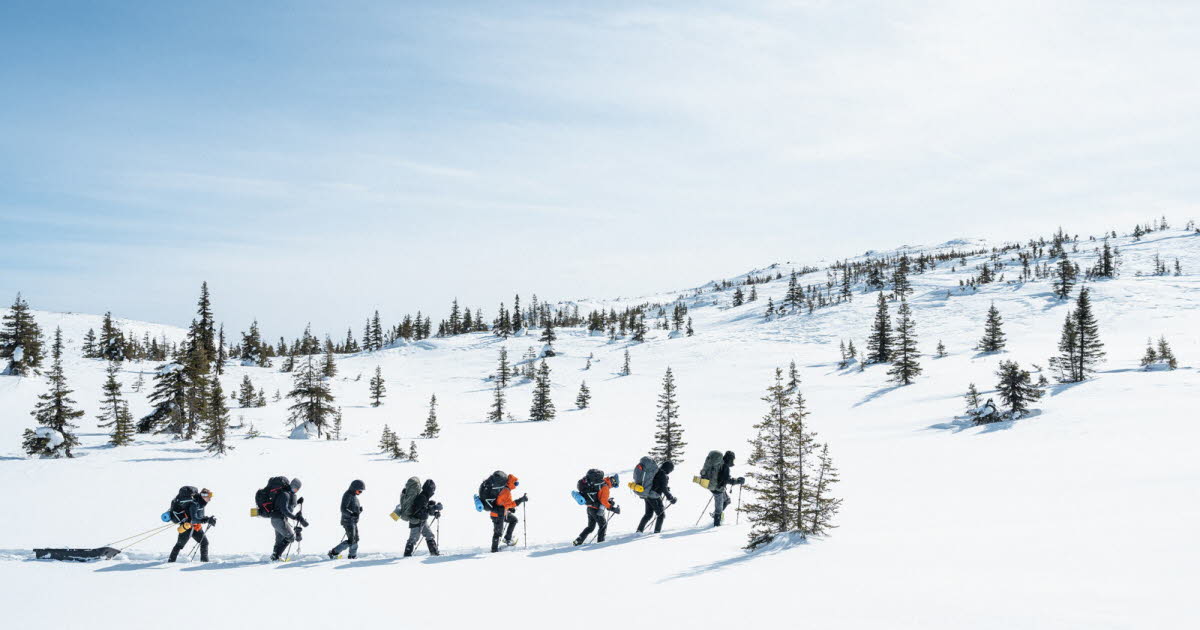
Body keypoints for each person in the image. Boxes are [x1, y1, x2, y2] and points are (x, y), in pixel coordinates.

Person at [168, 487, 216, 562]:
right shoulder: (195, 504)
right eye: (209, 497)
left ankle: (204, 562)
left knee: (204, 543)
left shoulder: (202, 503)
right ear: (203, 496)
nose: (210, 499)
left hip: (196, 527)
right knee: (179, 545)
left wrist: (208, 519)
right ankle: (170, 561)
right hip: (187, 527)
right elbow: (194, 519)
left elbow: (199, 517)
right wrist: (207, 520)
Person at [573, 470, 619, 546]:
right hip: (596, 510)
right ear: (613, 482)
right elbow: (603, 502)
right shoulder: (605, 487)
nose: (612, 487)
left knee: (590, 527)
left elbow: (599, 497)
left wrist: (608, 501)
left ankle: (578, 541)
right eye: (614, 485)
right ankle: (600, 543)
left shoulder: (600, 483)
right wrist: (613, 508)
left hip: (589, 508)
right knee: (603, 525)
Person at [270, 478, 308, 561]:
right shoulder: (285, 494)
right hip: (279, 520)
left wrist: (297, 502)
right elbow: (284, 510)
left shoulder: (287, 494)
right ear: (291, 485)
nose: (295, 489)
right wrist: (294, 517)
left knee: (279, 539)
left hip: (276, 519)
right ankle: (276, 556)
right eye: (294, 487)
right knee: (290, 537)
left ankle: (275, 557)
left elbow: (286, 506)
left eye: (297, 489)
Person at [328, 480, 365, 559]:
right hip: (347, 521)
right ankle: (334, 553)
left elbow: (353, 510)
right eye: (359, 491)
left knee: (355, 539)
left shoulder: (354, 497)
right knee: (352, 540)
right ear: (354, 488)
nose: (360, 493)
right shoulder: (348, 495)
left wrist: (359, 511)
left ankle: (352, 556)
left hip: (353, 522)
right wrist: (351, 514)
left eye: (361, 492)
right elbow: (343, 509)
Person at [489, 474, 527, 552]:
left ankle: (507, 538)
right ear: (511, 483)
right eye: (516, 483)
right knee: (498, 533)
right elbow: (508, 503)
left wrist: (510, 508)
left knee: (513, 520)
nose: (516, 485)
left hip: (502, 513)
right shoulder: (506, 491)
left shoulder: (505, 490)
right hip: (497, 515)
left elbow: (502, 503)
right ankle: (494, 550)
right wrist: (520, 500)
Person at [637, 461, 677, 534]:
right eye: (671, 470)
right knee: (661, 515)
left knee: (648, 514)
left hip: (647, 495)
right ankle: (656, 533)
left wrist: (664, 488)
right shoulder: (663, 475)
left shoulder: (656, 471)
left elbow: (657, 484)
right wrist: (671, 498)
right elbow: (663, 488)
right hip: (653, 497)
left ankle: (639, 531)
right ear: (668, 469)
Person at [405, 479, 442, 557]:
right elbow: (421, 511)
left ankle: (434, 553)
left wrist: (434, 512)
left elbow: (425, 510)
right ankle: (407, 556)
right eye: (433, 489)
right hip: (416, 521)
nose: (433, 491)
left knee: (429, 535)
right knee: (413, 539)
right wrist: (434, 507)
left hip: (422, 521)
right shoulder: (422, 497)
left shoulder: (424, 496)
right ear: (430, 489)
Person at [711, 451, 745, 527]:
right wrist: (738, 481)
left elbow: (724, 478)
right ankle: (716, 525)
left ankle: (715, 516)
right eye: (733, 459)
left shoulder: (721, 463)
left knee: (727, 500)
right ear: (730, 459)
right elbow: (727, 480)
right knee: (718, 509)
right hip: (717, 489)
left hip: (716, 487)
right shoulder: (724, 466)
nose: (733, 461)